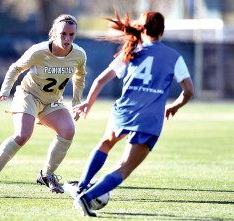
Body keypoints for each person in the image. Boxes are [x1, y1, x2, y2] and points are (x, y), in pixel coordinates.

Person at [64, 11, 194, 217]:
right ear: (162, 31)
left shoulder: (131, 51)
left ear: (142, 29)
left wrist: (88, 103)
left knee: (105, 144)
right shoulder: (173, 57)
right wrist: (174, 107)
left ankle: (82, 185)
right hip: (148, 119)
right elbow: (189, 91)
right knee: (124, 167)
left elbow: (99, 80)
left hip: (123, 112)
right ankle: (86, 197)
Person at [0, 14, 87, 195]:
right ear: (54, 33)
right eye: (63, 34)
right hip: (28, 95)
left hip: (52, 101)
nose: (67, 39)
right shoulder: (38, 51)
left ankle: (47, 174)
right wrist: (5, 90)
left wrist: (76, 102)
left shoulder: (79, 54)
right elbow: (16, 68)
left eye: (71, 34)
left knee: (68, 131)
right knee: (22, 135)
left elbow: (80, 76)